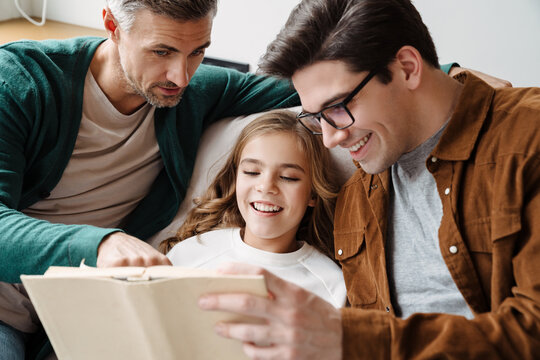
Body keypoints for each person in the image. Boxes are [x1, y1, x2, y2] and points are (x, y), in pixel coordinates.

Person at [197, 0, 540, 359]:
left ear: (407, 68)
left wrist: (346, 337)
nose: (330, 140)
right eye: (316, 117)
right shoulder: (358, 196)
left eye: (338, 108)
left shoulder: (526, 138)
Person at [0, 0, 302, 358]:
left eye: (198, 52)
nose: (181, 76)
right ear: (112, 26)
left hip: (87, 313)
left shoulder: (196, 92)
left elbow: (310, 88)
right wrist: (101, 245)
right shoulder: (21, 80)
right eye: (162, 51)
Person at [161, 110, 347, 308]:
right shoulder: (191, 253)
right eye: (252, 172)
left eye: (288, 177)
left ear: (313, 194)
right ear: (236, 179)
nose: (266, 186)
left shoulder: (331, 286)